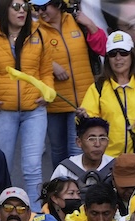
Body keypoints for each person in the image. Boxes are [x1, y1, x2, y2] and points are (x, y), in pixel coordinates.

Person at [0, 0, 53, 202]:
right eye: (16, 7)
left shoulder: (40, 35)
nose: (22, 11)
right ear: (4, 9)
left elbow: (46, 71)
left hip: (34, 111)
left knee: (33, 166)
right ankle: (3, 212)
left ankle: (36, 214)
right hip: (2, 112)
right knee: (2, 167)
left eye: (25, 7)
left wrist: (47, 92)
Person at [30, 0, 105, 167]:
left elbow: (102, 48)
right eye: (37, 8)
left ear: (57, 4)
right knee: (57, 151)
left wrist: (90, 25)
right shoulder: (34, 31)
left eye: (44, 7)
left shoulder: (77, 21)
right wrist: (51, 65)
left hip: (82, 101)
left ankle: (76, 183)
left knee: (75, 149)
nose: (41, 12)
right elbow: (27, 60)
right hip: (55, 101)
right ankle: (60, 182)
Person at [78, 31, 135, 158]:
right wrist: (83, 117)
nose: (118, 58)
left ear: (132, 55)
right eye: (113, 54)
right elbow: (88, 119)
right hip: (107, 157)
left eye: (123, 53)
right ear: (108, 59)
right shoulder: (98, 87)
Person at [50, 117, 115, 188]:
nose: (97, 144)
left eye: (102, 139)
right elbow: (52, 194)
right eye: (91, 139)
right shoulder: (65, 170)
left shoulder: (115, 167)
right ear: (79, 142)